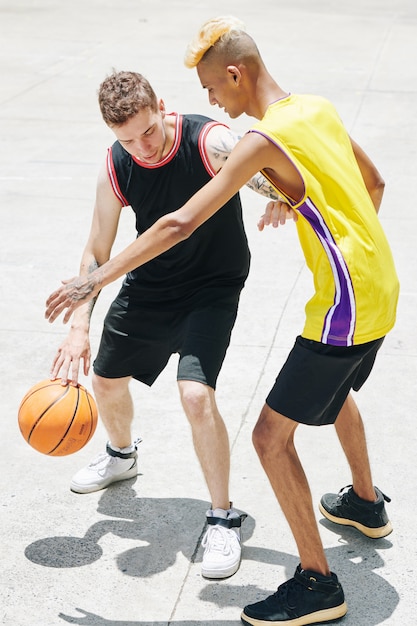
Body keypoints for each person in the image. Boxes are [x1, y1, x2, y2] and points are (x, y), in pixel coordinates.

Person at [45, 17, 399, 625]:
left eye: (212, 87)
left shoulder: (258, 139)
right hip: (378, 287)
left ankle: (318, 584)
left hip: (342, 302)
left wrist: (91, 282)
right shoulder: (315, 108)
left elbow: (180, 222)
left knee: (269, 438)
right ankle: (365, 505)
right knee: (333, 392)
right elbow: (374, 182)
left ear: (235, 75)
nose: (210, 100)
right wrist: (328, 224)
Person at [47, 69, 290, 581]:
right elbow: (97, 250)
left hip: (213, 285)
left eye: (148, 131)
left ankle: (223, 518)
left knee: (196, 395)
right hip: (152, 283)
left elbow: (277, 160)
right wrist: (79, 326)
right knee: (106, 379)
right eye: (127, 139)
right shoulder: (116, 165)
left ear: (162, 105)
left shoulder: (209, 141)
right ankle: (121, 455)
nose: (143, 147)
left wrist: (282, 192)